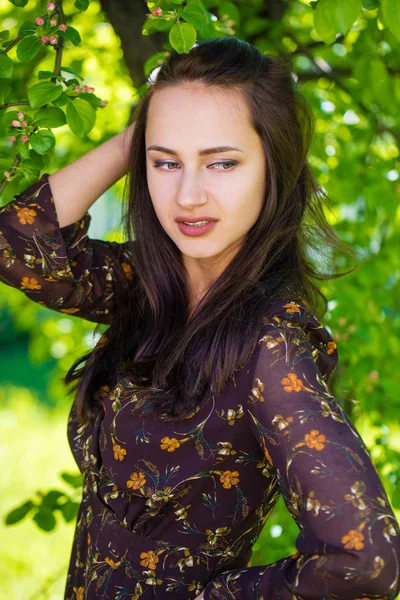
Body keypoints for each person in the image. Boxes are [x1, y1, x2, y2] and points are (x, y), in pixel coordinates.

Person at [0, 36, 399, 600]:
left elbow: (366, 562)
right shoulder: (149, 284)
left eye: (222, 163)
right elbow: (16, 244)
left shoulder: (270, 345)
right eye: (166, 162)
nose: (188, 195)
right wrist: (133, 138)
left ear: (274, 165)